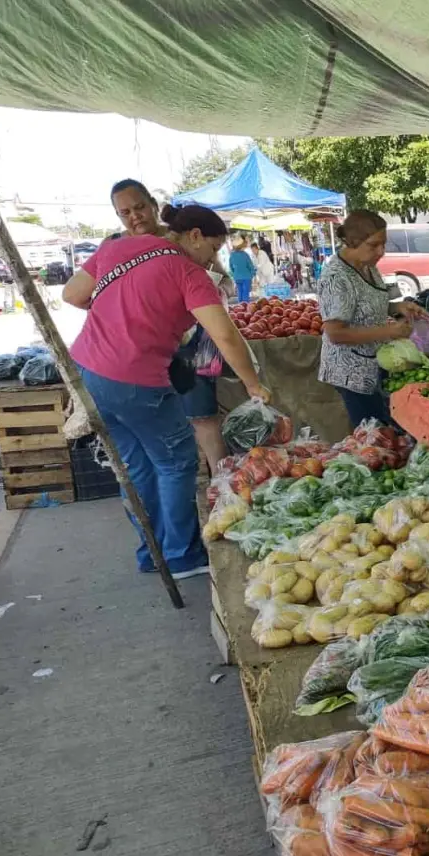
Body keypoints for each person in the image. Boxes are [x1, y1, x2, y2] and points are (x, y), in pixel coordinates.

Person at [62, 204, 269, 579]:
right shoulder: (189, 273)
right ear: (194, 236)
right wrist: (253, 383)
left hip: (90, 371)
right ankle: (181, 556)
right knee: (176, 463)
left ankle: (151, 552)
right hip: (136, 379)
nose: (214, 257)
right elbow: (224, 335)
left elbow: (73, 294)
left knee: (137, 466)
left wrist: (122, 311)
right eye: (214, 247)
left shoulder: (117, 247)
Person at [107, 179, 234, 475]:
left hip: (194, 343)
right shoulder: (114, 247)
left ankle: (220, 480)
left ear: (153, 203)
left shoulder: (186, 237)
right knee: (156, 418)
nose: (135, 216)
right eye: (125, 212)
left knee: (203, 416)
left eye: (139, 207)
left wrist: (213, 288)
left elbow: (224, 281)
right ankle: (181, 477)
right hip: (143, 346)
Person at [318, 209, 429, 427]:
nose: (381, 251)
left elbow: (370, 304)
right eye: (374, 245)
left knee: (383, 430)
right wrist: (388, 331)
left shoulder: (368, 267)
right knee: (371, 435)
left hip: (373, 365)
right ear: (352, 242)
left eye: (384, 244)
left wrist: (399, 307)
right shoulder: (336, 278)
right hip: (350, 372)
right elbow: (336, 333)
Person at [228, 237, 256, 302]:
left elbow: (231, 267)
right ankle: (245, 307)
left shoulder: (232, 255)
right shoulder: (245, 255)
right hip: (246, 277)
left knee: (240, 292)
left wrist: (234, 274)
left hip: (237, 277)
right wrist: (252, 274)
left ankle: (240, 306)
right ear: (242, 246)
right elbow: (250, 266)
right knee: (245, 293)